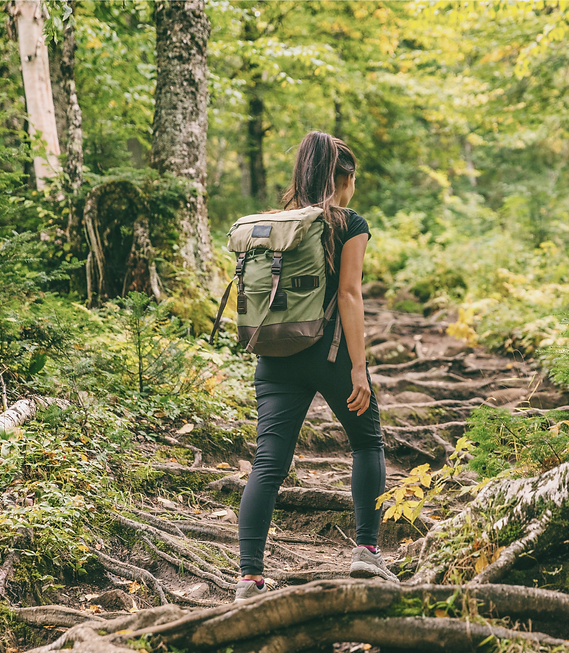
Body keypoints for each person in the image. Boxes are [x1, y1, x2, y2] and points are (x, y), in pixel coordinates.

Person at [234, 131, 398, 602]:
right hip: (331, 356)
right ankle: (366, 551)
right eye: (353, 180)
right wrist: (358, 368)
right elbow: (349, 294)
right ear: (343, 178)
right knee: (367, 442)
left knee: (268, 462)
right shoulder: (349, 223)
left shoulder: (275, 224)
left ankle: (248, 578)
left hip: (275, 356)